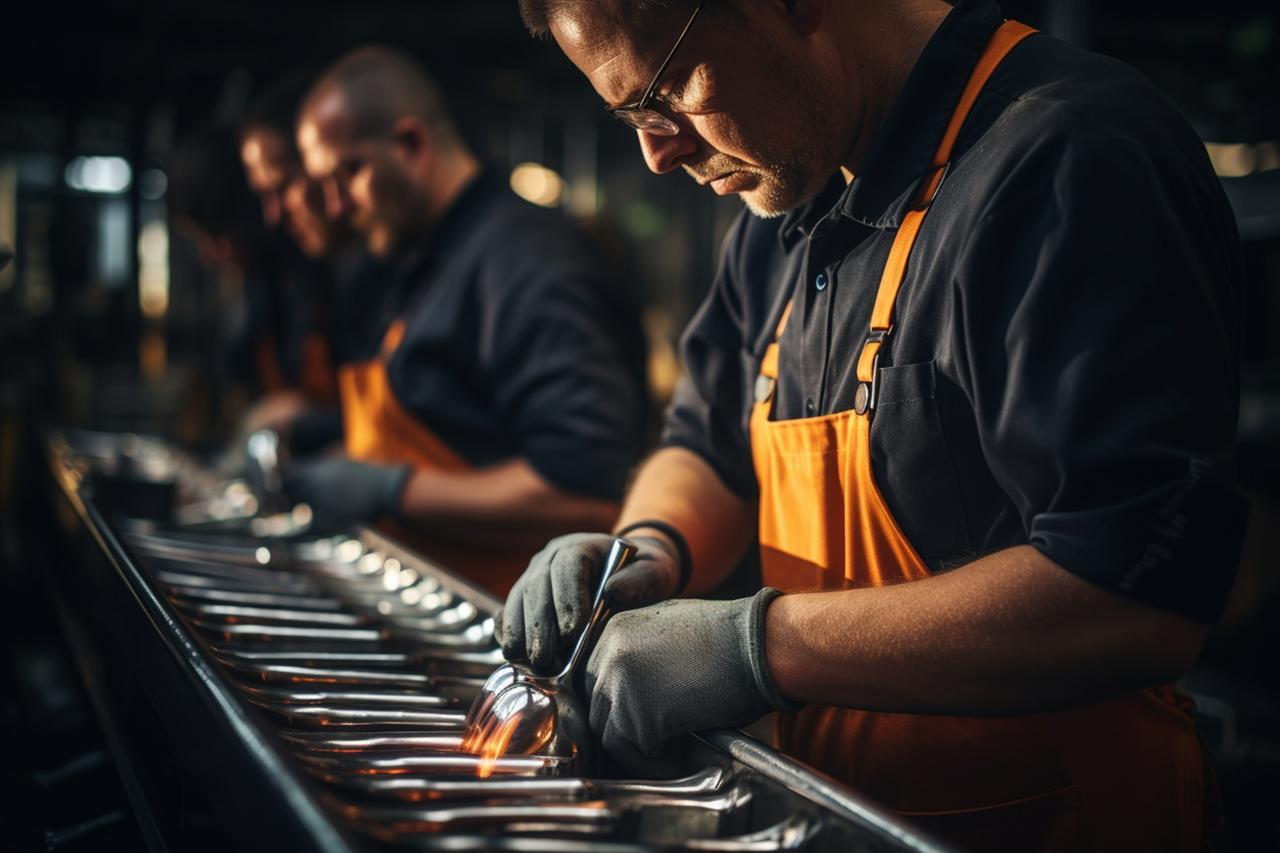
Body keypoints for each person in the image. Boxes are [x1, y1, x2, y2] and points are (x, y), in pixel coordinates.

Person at [497, 0, 1246, 849]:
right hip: (856, 819)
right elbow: (707, 442)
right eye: (630, 114)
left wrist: (751, 646)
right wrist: (645, 549)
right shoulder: (788, 193)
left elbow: (1134, 602)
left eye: (667, 89)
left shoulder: (1069, 156)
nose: (657, 153)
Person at [291, 46, 649, 596]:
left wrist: (390, 490)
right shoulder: (423, 259)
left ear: (411, 145)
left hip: (508, 632)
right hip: (427, 597)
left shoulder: (525, 263)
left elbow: (583, 490)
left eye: (349, 173)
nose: (336, 206)